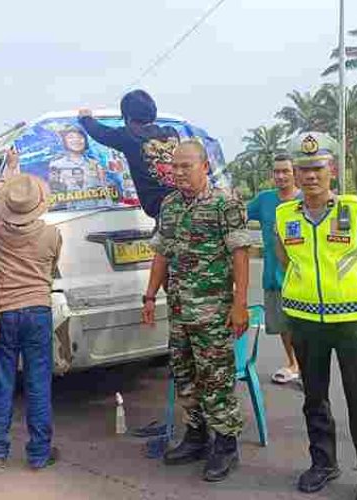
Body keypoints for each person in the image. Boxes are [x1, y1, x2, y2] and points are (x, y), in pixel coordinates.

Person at [276, 132, 357, 500]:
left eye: (318, 168)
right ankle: (323, 463)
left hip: (353, 322)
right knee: (314, 398)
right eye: (303, 169)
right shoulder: (284, 215)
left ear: (333, 171)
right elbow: (285, 261)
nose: (310, 176)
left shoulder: (356, 211)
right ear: (294, 172)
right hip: (306, 322)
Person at [142, 139, 250, 482]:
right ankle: (197, 435)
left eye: (185, 166)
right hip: (179, 309)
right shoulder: (170, 205)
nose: (178, 173)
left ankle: (226, 443)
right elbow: (161, 253)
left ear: (204, 166)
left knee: (215, 378)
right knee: (185, 375)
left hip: (213, 311)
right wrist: (149, 296)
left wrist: (240, 304)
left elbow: (240, 254)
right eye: (174, 167)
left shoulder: (225, 204)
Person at [0, 164, 63, 472]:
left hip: (2, 312)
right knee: (38, 384)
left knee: (1, 384)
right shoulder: (51, 234)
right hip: (38, 312)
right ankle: (39, 454)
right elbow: (53, 266)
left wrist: (8, 170)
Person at [78, 89, 180, 220]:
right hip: (185, 204)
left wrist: (85, 119)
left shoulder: (129, 137)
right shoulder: (171, 133)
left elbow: (100, 132)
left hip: (163, 211)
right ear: (153, 113)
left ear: (127, 117)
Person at [247, 153, 302, 386]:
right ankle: (294, 364)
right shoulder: (264, 200)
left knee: (302, 325)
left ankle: (304, 365)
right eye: (276, 171)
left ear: (295, 173)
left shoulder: (305, 198)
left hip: (301, 276)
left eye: (285, 171)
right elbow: (237, 215)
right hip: (272, 274)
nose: (280, 176)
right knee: (282, 325)